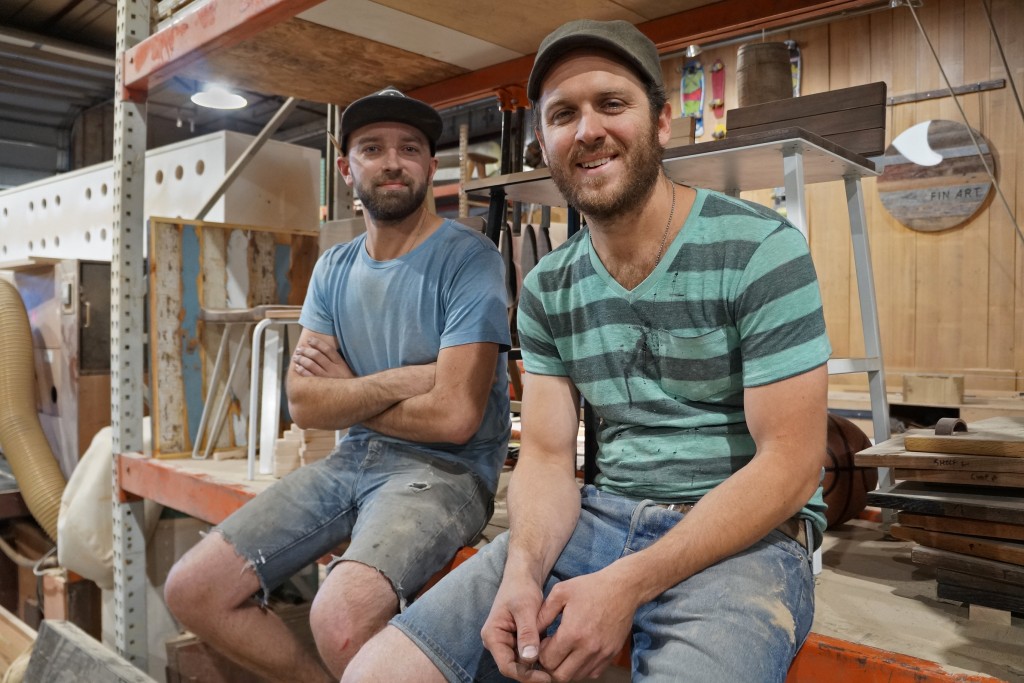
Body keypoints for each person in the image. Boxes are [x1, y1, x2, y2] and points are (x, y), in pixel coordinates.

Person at [346, 19, 831, 683]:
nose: (587, 130)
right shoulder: (550, 287)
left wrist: (628, 584)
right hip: (600, 519)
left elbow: (792, 464)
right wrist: (521, 572)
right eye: (563, 114)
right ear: (544, 140)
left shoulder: (758, 250)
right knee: (379, 672)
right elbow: (546, 454)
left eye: (612, 104)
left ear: (662, 122)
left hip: (744, 541)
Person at [163, 87, 512, 681]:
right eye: (372, 148)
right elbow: (303, 404)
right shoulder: (334, 267)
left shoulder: (469, 259)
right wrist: (403, 380)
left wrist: (349, 393)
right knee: (194, 589)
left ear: (431, 165)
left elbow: (454, 418)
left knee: (341, 619)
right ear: (346, 167)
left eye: (409, 148)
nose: (392, 161)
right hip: (352, 461)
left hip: (446, 473)